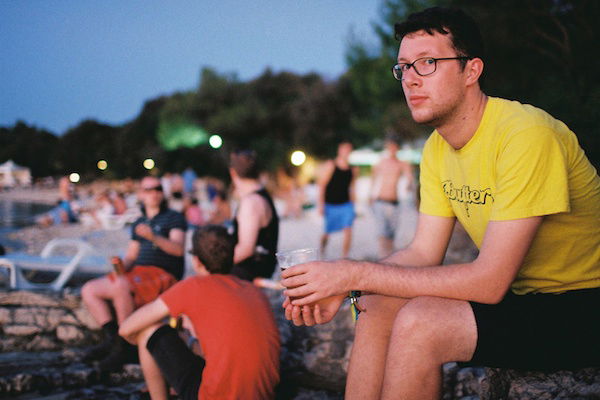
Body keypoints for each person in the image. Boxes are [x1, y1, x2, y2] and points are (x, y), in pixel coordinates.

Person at [281, 7, 600, 400]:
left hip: (583, 303)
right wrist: (345, 287)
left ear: (472, 70)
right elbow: (421, 252)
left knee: (421, 322)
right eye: (403, 68)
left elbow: (489, 280)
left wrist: (352, 273)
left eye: (427, 63)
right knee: (375, 304)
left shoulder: (526, 135)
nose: (411, 79)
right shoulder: (437, 148)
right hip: (523, 300)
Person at [119, 225, 280, 400]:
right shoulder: (254, 291)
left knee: (148, 331)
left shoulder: (193, 286)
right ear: (233, 255)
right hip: (264, 395)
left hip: (214, 396)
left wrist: (152, 354)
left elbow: (126, 329)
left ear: (196, 261)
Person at [81, 176, 187, 372]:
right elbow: (132, 255)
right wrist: (120, 265)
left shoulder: (174, 217)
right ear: (141, 194)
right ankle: (113, 340)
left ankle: (125, 346)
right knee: (90, 289)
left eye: (157, 189)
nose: (154, 193)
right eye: (148, 190)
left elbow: (178, 250)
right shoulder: (139, 221)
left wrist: (153, 237)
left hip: (163, 273)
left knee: (122, 285)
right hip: (138, 272)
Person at [228, 149, 279, 282]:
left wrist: (217, 265)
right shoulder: (261, 194)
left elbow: (246, 249)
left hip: (249, 274)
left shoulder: (251, 203)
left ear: (233, 173)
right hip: (258, 268)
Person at [370, 134, 414, 257]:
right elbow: (373, 180)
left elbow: (409, 178)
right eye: (390, 146)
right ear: (387, 147)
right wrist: (371, 196)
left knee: (391, 234)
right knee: (382, 233)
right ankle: (383, 258)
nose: (392, 149)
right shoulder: (381, 163)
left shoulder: (402, 164)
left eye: (395, 146)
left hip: (394, 203)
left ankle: (388, 258)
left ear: (398, 148)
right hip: (380, 201)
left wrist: (409, 184)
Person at [318, 141, 358, 258]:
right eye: (344, 149)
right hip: (331, 204)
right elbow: (322, 185)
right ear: (339, 150)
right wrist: (321, 205)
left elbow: (352, 188)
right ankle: (322, 248)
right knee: (327, 232)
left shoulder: (353, 169)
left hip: (346, 204)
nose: (346, 152)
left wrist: (354, 206)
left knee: (348, 228)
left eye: (348, 150)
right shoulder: (331, 165)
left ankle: (345, 256)